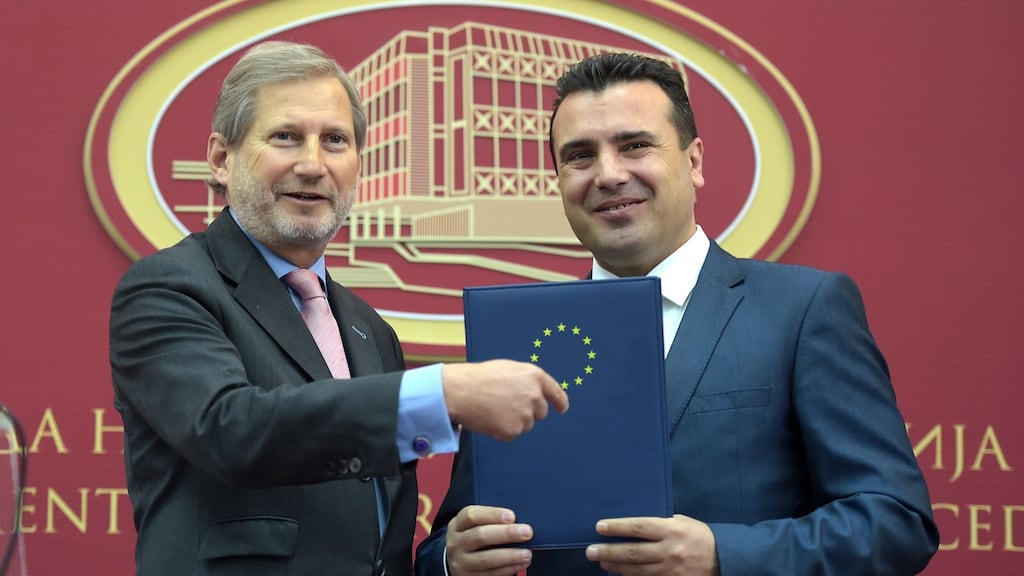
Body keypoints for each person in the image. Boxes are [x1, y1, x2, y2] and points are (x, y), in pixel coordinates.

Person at [415, 52, 939, 576]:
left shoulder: (802, 310)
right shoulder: (518, 339)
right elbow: (444, 542)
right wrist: (449, 561)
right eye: (579, 156)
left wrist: (721, 554)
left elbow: (894, 522)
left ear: (694, 161)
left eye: (635, 145)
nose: (608, 174)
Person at [108, 41, 568, 576]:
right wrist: (442, 391)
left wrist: (447, 565)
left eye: (335, 141)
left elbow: (378, 543)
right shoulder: (169, 286)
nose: (312, 164)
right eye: (285, 137)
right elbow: (231, 431)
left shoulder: (371, 331)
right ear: (220, 160)